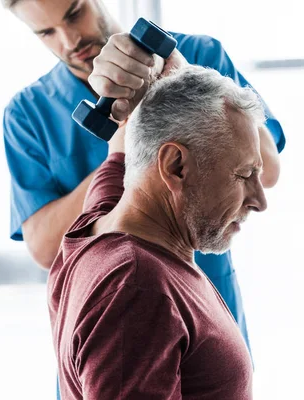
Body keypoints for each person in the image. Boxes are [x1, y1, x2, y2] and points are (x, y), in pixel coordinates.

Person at [1, 0, 285, 392]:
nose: (69, 40)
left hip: (207, 312)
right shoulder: (131, 286)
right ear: (173, 165)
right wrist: (146, 133)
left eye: (74, 14)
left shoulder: (197, 55)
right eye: (45, 33)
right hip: (132, 323)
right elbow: (45, 245)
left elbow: (263, 168)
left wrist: (176, 79)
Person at [50, 64, 267, 399]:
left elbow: (122, 153)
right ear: (175, 166)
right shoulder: (136, 289)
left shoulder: (98, 221)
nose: (259, 200)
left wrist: (159, 75)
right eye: (243, 175)